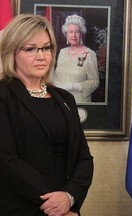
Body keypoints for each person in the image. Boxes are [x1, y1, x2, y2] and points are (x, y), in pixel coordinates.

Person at [0, 14, 94, 215]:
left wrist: (69, 197)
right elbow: (7, 161)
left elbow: (84, 158)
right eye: (30, 49)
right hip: (20, 207)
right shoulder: (3, 95)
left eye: (46, 47)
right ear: (12, 52)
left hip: (66, 205)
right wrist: (55, 204)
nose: (41, 56)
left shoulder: (65, 98)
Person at [53, 14, 99, 103]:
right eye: (70, 32)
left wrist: (73, 86)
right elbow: (56, 77)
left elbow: (94, 81)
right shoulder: (62, 52)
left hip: (79, 101)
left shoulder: (89, 54)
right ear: (66, 35)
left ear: (81, 34)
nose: (73, 35)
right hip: (61, 100)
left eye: (77, 32)